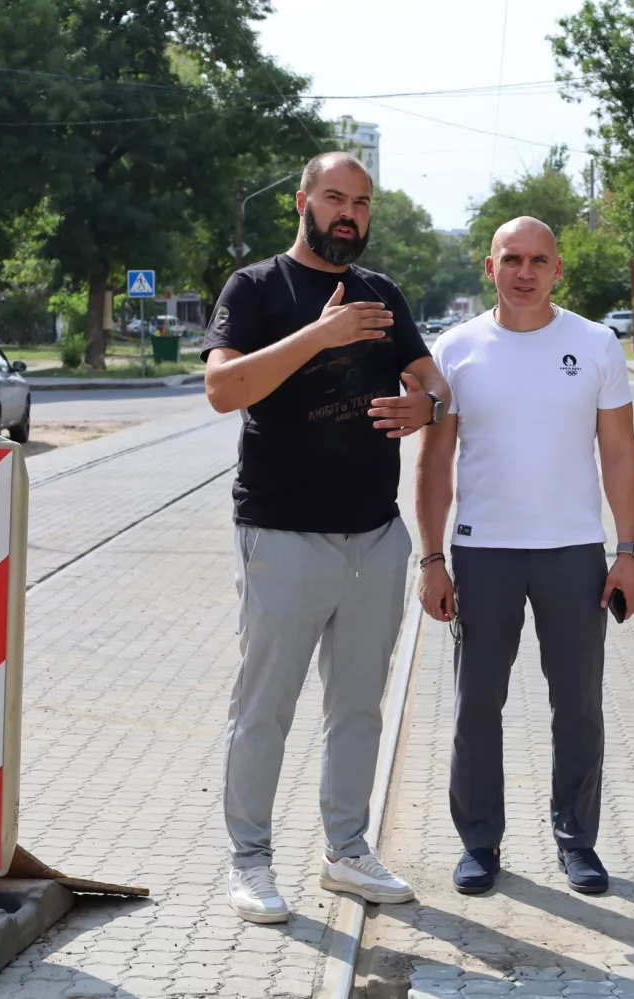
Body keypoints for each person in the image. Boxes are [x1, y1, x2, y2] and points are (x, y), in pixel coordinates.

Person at [200, 151, 452, 924]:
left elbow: (435, 385)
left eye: (362, 203)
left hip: (374, 536)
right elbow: (222, 389)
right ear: (302, 203)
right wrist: (321, 334)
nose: (349, 213)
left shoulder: (383, 293)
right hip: (281, 533)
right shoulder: (255, 289)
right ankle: (250, 862)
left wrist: (429, 411)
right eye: (335, 198)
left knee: (358, 706)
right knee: (264, 707)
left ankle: (347, 850)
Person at [414, 216, 634, 896]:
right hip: (483, 553)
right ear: (490, 267)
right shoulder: (455, 350)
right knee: (475, 703)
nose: (524, 271)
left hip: (574, 552)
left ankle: (577, 840)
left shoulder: (596, 343)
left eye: (538, 260)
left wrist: (627, 549)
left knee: (577, 704)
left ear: (557, 269)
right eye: (511, 258)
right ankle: (480, 841)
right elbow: (433, 463)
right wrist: (432, 558)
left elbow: (621, 451)